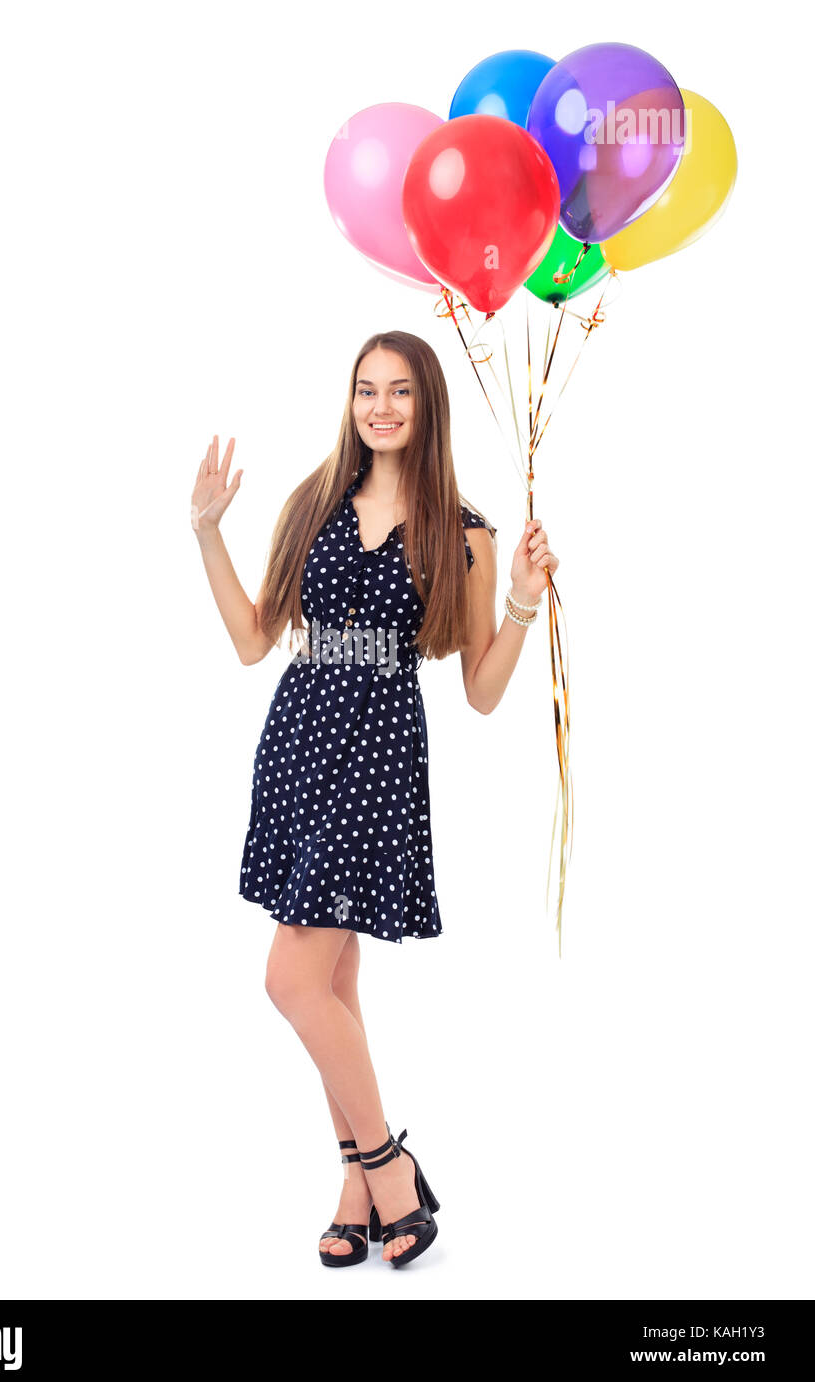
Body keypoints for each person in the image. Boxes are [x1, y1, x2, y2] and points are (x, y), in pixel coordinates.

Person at [192, 330, 558, 1269]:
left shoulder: (461, 529)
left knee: (291, 980)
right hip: (299, 746)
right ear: (350, 401)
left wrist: (520, 598)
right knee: (332, 984)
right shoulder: (313, 504)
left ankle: (389, 1169)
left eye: (400, 391)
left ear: (426, 406)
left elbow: (479, 689)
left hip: (376, 762)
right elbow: (251, 639)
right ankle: (359, 1183)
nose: (381, 406)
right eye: (366, 390)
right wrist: (206, 533)